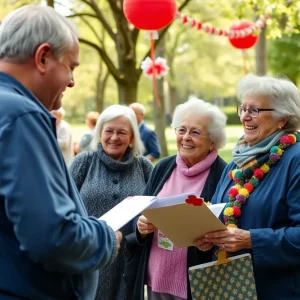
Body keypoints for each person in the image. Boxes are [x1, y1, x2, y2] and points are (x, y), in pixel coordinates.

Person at [0, 5, 121, 299]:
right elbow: (52, 236)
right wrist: (106, 238)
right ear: (42, 57)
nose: (71, 81)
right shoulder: (21, 115)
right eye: (71, 66)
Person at [195, 74, 300, 299]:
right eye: (243, 108)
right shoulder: (237, 161)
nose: (244, 116)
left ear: (282, 119)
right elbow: (222, 213)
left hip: (278, 290)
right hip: (232, 287)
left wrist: (251, 240)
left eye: (255, 110)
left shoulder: (295, 159)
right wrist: (207, 238)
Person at [126, 98, 227, 299]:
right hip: (156, 279)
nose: (186, 138)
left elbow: (231, 228)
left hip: (199, 283)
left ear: (213, 140)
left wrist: (210, 243)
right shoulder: (163, 167)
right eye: (181, 130)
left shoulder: (223, 174)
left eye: (195, 132)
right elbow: (140, 214)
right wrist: (141, 227)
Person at [69, 104, 153, 300]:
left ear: (132, 138)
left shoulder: (145, 168)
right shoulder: (84, 162)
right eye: (109, 131)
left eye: (122, 132)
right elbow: (65, 205)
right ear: (99, 133)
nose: (114, 137)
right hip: (89, 257)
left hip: (130, 262)